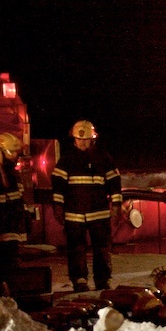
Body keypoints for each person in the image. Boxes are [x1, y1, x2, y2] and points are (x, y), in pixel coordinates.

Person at [52, 120, 122, 292]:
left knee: (102, 249)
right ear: (74, 139)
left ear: (93, 139)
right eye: (79, 139)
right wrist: (58, 207)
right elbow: (58, 187)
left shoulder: (103, 158)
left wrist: (116, 205)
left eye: (85, 140)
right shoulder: (66, 160)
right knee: (76, 249)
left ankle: (102, 280)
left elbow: (114, 183)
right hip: (74, 215)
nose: (82, 143)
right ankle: (79, 280)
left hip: (99, 214)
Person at [0, 132, 27, 295]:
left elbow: (19, 201)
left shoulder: (12, 174)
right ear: (2, 151)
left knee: (9, 264)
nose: (16, 156)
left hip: (11, 229)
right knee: (0, 265)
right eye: (13, 152)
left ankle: (6, 296)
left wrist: (24, 220)